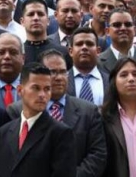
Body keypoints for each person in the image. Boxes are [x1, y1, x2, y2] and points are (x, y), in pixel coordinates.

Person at [8, 49, 107, 177]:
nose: (59, 77)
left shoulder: (89, 111)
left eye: (63, 72)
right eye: (52, 72)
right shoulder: (17, 111)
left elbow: (97, 155)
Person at [0, 63, 76, 177]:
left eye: (47, 89)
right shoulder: (3, 132)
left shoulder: (60, 133)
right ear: (20, 90)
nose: (42, 95)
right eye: (36, 88)